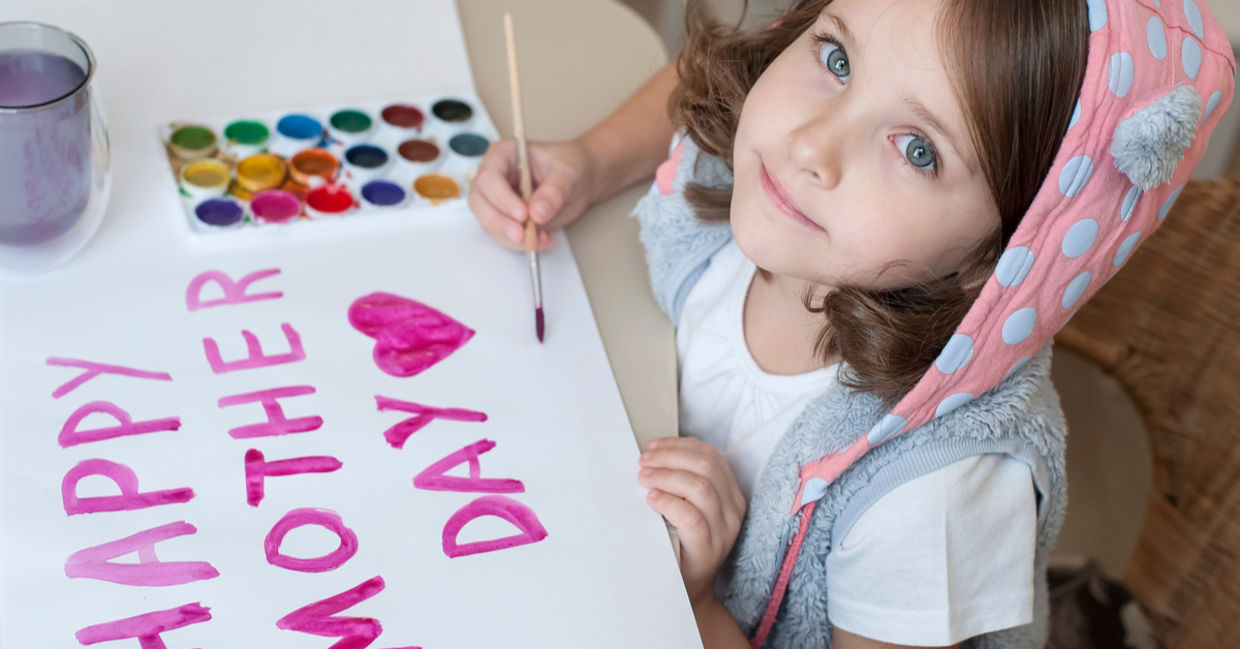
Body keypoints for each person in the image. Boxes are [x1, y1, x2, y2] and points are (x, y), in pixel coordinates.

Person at [469, 0, 1236, 647]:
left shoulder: (933, 494)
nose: (811, 142)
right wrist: (588, 161)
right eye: (836, 59)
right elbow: (713, 89)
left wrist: (694, 604)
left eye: (916, 150)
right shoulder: (786, 197)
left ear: (997, 258)